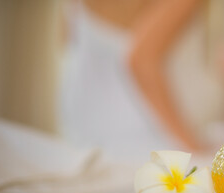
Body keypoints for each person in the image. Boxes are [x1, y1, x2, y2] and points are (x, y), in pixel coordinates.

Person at [59, 0, 202, 161]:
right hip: (140, 117)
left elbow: (68, 39)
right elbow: (141, 62)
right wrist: (193, 148)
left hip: (80, 108)